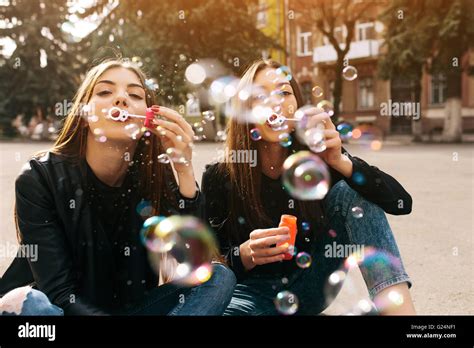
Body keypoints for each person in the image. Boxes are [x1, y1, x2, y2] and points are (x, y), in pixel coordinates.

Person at [0, 59, 235, 316]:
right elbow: (59, 294)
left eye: (135, 94)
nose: (121, 99)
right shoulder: (39, 177)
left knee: (218, 278)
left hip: (128, 311)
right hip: (56, 311)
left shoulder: (154, 176)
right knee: (31, 302)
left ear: (148, 118)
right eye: (104, 91)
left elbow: (192, 261)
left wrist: (184, 168)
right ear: (84, 114)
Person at [202, 59, 416, 315]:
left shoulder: (320, 157)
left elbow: (402, 203)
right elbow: (211, 266)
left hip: (311, 283)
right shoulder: (219, 174)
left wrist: (341, 161)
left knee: (352, 192)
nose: (276, 102)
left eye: (284, 92)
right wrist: (245, 254)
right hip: (249, 295)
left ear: (297, 105)